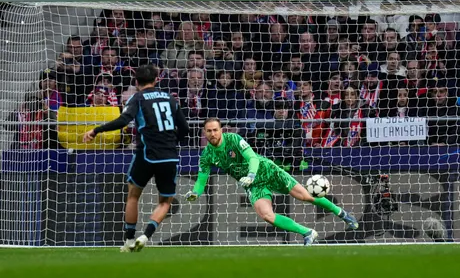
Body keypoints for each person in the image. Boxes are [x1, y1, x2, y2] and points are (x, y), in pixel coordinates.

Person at [185, 118, 358, 245]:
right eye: (209, 131)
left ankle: (342, 213)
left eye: (215, 130)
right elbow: (201, 179)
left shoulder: (234, 139)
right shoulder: (206, 155)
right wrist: (195, 192)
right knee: (266, 215)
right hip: (254, 185)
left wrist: (251, 174)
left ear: (221, 130)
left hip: (267, 171)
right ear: (204, 133)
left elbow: (252, 157)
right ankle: (307, 232)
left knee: (306, 196)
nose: (213, 133)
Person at [83, 65, 189, 252]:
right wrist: (173, 142)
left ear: (136, 81)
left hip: (146, 154)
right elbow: (185, 128)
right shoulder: (170, 98)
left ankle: (129, 240)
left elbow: (123, 121)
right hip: (169, 156)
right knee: (165, 202)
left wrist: (96, 130)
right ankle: (145, 235)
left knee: (133, 196)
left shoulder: (137, 98)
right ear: (157, 79)